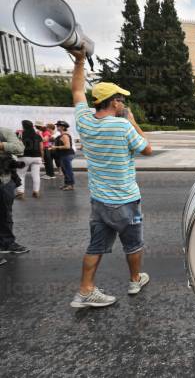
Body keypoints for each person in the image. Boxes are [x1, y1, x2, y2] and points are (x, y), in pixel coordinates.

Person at [68, 46, 153, 308]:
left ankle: (85, 290)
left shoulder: (84, 121)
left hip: (100, 200)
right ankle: (135, 279)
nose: (124, 103)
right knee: (133, 243)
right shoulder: (121, 124)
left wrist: (80, 62)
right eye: (121, 99)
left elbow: (77, 91)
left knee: (95, 246)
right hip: (126, 199)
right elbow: (147, 149)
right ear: (114, 101)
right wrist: (133, 120)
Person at [0, 127, 27, 262]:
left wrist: (2, 145)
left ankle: (7, 243)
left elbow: (19, 148)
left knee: (6, 214)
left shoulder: (3, 132)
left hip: (4, 180)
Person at [15, 120, 43, 199]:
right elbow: (41, 148)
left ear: (23, 126)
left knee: (21, 175)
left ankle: (20, 192)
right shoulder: (38, 136)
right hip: (37, 157)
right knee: (36, 175)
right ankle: (36, 191)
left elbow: (16, 145)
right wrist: (42, 157)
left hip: (24, 157)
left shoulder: (20, 134)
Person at [51, 121, 75, 191]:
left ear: (63, 127)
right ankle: (67, 184)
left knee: (67, 170)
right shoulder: (62, 135)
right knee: (65, 170)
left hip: (67, 154)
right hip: (64, 154)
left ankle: (70, 185)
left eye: (58, 126)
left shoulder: (65, 135)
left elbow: (67, 146)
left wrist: (55, 147)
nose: (57, 127)